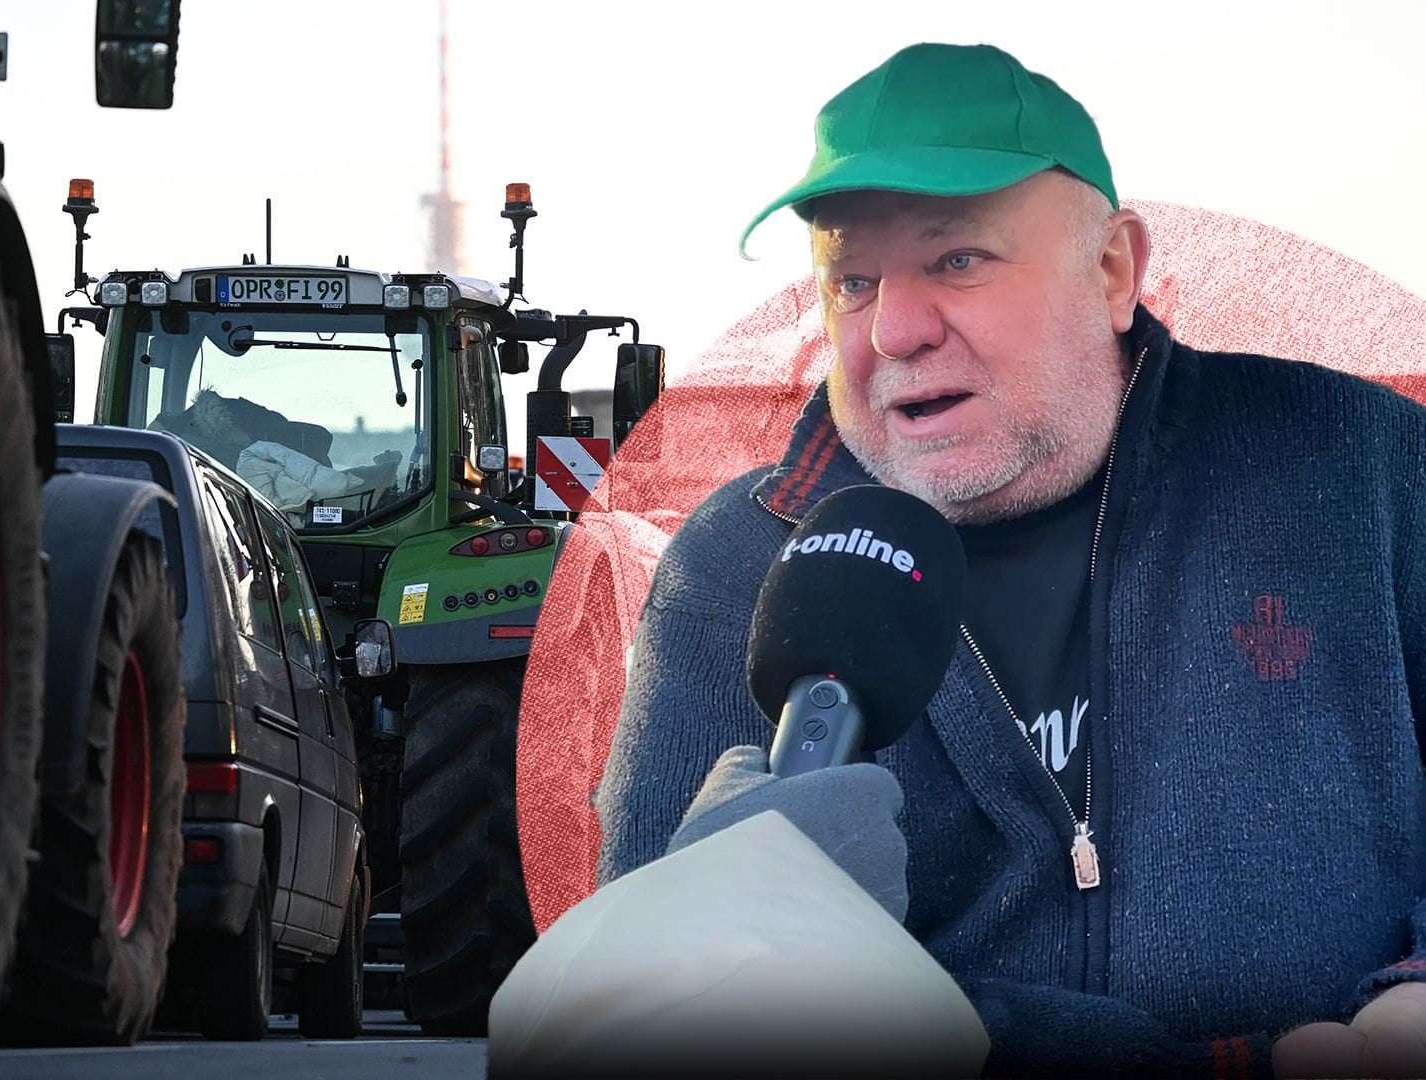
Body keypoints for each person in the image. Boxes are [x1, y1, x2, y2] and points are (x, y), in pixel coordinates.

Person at [594, 42, 1426, 1078]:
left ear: (1114, 269)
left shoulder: (1360, 470)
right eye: (851, 280)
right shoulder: (738, 563)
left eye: (958, 260)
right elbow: (639, 995)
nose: (894, 329)